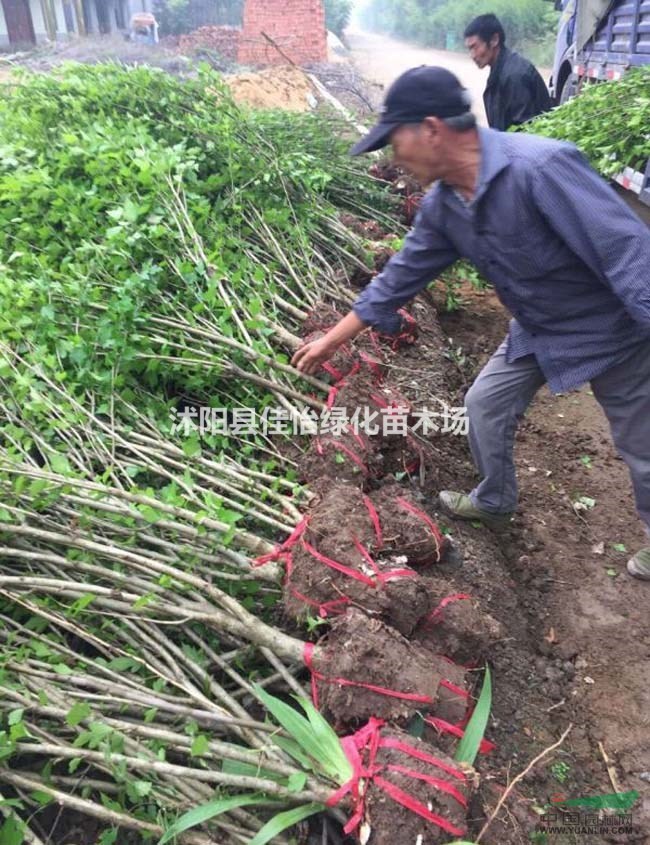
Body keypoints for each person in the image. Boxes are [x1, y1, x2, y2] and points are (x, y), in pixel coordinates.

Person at [290, 66, 650, 581]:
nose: (395, 158)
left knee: (642, 448)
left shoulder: (540, 168)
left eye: (396, 142)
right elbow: (400, 277)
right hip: (538, 329)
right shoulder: (444, 206)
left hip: (610, 329)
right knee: (484, 405)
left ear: (431, 129)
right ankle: (494, 500)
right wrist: (331, 339)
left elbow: (628, 252)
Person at [464, 13, 551, 130]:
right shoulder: (499, 70)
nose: (472, 55)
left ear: (494, 40)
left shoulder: (515, 75)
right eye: (470, 49)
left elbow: (523, 130)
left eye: (475, 47)